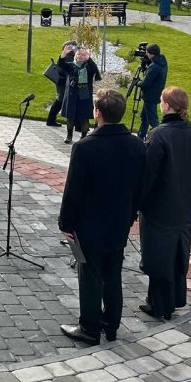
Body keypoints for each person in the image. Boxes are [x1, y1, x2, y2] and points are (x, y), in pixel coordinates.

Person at [58, 88, 146, 345]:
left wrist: (66, 222)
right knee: (113, 273)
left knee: (90, 275)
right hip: (120, 221)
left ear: (97, 113)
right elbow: (141, 186)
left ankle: (89, 328)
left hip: (90, 224)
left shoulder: (85, 147)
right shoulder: (137, 145)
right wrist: (131, 214)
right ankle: (111, 324)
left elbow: (73, 189)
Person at [138, 86, 191, 322]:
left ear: (167, 106)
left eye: (161, 101)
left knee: (158, 256)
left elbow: (147, 175)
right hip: (184, 204)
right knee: (177, 256)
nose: (160, 104)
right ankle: (171, 301)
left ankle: (159, 305)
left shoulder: (159, 135)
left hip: (159, 207)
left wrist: (138, 202)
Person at [61, 47, 102, 144]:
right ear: (75, 56)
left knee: (84, 118)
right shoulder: (71, 65)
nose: (80, 56)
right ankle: (69, 136)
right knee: (70, 117)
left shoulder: (88, 66)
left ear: (87, 57)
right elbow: (61, 64)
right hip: (72, 96)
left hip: (84, 97)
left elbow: (94, 69)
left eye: (83, 54)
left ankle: (84, 137)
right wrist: (64, 54)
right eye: (78, 54)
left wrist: (89, 58)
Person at [137, 44, 168, 139]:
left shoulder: (154, 66)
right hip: (156, 94)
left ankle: (159, 138)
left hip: (149, 96)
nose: (145, 54)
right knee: (144, 117)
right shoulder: (162, 62)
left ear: (152, 54)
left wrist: (137, 82)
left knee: (152, 120)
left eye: (147, 52)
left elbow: (145, 83)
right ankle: (141, 136)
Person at [47, 41, 77, 127]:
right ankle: (51, 120)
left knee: (60, 101)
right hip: (63, 82)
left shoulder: (68, 56)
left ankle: (51, 120)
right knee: (59, 101)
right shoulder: (68, 57)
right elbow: (63, 70)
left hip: (62, 82)